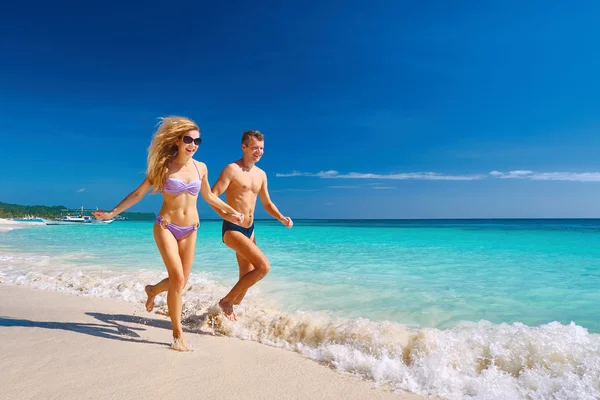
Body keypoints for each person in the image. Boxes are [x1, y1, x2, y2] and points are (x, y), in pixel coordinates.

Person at [93, 116, 244, 351]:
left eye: (197, 141)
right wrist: (113, 212)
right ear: (176, 140)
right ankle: (177, 334)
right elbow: (138, 193)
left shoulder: (201, 167)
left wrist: (230, 211)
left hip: (191, 230)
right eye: (188, 139)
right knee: (178, 278)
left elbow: (210, 196)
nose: (193, 145)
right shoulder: (163, 167)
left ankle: (152, 290)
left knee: (180, 282)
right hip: (166, 226)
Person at [210, 130, 293, 321]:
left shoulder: (261, 174)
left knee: (246, 277)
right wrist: (226, 214)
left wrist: (281, 217)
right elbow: (212, 196)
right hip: (232, 229)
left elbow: (267, 203)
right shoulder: (232, 169)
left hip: (250, 229)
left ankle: (220, 318)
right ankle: (226, 301)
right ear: (244, 147)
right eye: (255, 148)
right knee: (263, 267)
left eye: (262, 148)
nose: (259, 151)